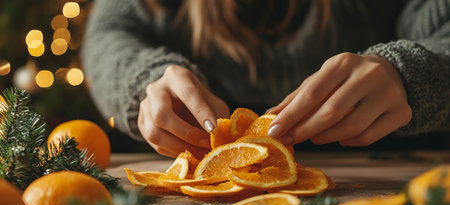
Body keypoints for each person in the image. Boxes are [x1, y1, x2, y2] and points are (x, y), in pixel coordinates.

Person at [82, 0, 450, 158]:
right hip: (203, 165)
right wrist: (145, 79)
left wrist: (412, 72)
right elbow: (110, 34)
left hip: (391, 159)